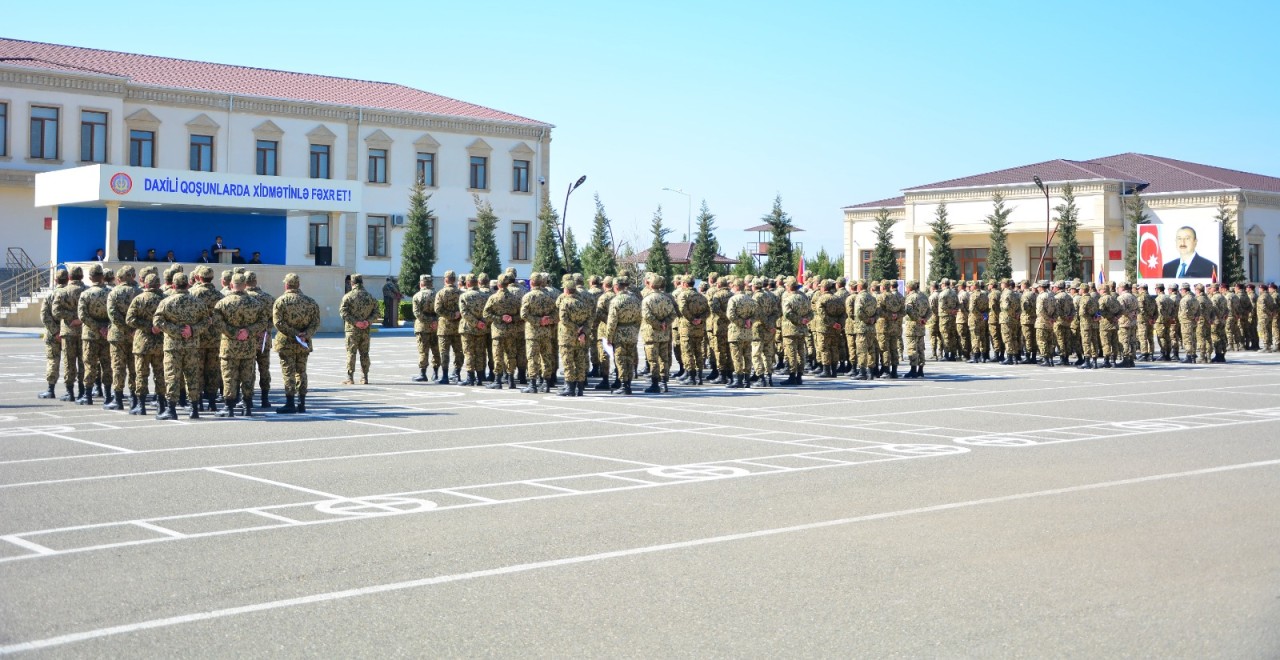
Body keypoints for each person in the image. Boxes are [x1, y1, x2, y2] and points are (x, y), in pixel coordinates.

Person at [153, 272, 209, 420]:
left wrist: (175, 331)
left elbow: (157, 321)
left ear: (173, 285)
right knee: (192, 376)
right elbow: (207, 321)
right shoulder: (198, 302)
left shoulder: (166, 302)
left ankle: (171, 409)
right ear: (188, 284)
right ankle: (194, 409)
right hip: (192, 344)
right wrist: (192, 330)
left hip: (173, 345)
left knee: (172, 376)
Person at [213, 273, 270, 417]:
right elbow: (264, 322)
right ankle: (247, 406)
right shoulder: (255, 303)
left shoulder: (223, 303)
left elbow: (217, 323)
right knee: (247, 377)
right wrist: (247, 332)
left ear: (231, 285)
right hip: (248, 347)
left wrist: (233, 333)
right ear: (245, 285)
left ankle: (229, 407)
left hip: (229, 347)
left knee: (229, 377)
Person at [273, 273, 320, 414]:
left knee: (289, 372)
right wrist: (305, 334)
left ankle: (290, 403)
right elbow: (316, 322)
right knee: (301, 372)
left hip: (286, 342)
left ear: (286, 285)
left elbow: (278, 323)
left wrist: (294, 333)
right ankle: (302, 402)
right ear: (298, 285)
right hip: (303, 343)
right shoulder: (310, 302)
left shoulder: (281, 301)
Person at [126, 270, 166, 417]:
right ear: (158, 284)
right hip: (160, 343)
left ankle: (141, 405)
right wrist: (157, 327)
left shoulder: (139, 299)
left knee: (141, 375)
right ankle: (161, 405)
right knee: (160, 375)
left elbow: (130, 319)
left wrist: (147, 327)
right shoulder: (165, 299)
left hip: (142, 343)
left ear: (145, 284)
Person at [76, 264, 112, 406]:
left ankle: (88, 395)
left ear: (90, 278)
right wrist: (105, 327)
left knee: (89, 365)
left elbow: (82, 316)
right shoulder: (110, 292)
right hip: (106, 334)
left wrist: (97, 327)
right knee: (107, 365)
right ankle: (108, 395)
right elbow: (114, 314)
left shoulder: (85, 294)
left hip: (90, 335)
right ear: (102, 277)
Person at [105, 265, 140, 411]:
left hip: (117, 335)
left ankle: (118, 399)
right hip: (135, 335)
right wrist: (132, 329)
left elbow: (112, 314)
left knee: (118, 367)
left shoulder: (114, 292)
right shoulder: (139, 292)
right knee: (134, 368)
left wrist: (125, 328)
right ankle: (134, 398)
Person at [190, 266, 224, 412]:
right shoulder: (220, 295)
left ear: (198, 277)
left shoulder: (192, 294)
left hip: (197, 338)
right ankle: (212, 401)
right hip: (215, 339)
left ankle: (197, 403)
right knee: (213, 371)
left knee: (197, 371)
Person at [520, 272, 558, 393]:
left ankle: (533, 384)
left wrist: (538, 321)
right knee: (546, 357)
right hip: (546, 332)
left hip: (533, 333)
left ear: (531, 282)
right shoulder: (549, 296)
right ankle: (546, 383)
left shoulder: (528, 296)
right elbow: (556, 314)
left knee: (532, 358)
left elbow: (524, 314)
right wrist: (547, 320)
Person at [556, 274, 593, 396]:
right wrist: (583, 332)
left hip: (567, 337)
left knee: (568, 362)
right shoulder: (583, 303)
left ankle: (570, 388)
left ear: (566, 290)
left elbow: (564, 320)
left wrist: (576, 329)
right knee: (580, 361)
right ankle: (580, 388)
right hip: (581, 338)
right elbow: (589, 320)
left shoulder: (565, 302)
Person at [483, 273, 521, 389]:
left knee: (497, 355)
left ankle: (498, 380)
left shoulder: (494, 298)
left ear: (498, 284)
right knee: (511, 355)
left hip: (498, 331)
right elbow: (521, 315)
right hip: (511, 331)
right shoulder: (514, 298)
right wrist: (511, 318)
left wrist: (499, 318)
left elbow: (486, 314)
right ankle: (511, 380)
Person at [640, 274, 677, 393]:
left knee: (653, 360)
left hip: (651, 333)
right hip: (664, 333)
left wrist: (657, 324)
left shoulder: (647, 299)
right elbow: (673, 313)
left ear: (651, 285)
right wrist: (664, 323)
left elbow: (647, 316)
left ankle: (655, 383)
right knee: (664, 359)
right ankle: (664, 382)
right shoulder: (666, 298)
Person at [339, 273, 379, 384]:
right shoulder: (370, 297)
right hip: (365, 330)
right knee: (364, 353)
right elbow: (376, 312)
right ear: (362, 282)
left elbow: (343, 312)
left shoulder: (348, 296)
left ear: (351, 283)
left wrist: (355, 322)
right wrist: (367, 321)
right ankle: (364, 377)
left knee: (351, 353)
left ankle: (350, 378)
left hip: (352, 330)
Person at [605, 275, 641, 395]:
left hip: (619, 334)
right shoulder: (635, 299)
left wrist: (609, 337)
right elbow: (639, 318)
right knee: (630, 359)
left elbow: (612, 322)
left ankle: (624, 385)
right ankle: (628, 384)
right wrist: (635, 330)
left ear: (616, 287)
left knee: (620, 360)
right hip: (632, 333)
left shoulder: (615, 301)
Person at [37, 269, 68, 399]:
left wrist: (55, 331)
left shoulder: (51, 295)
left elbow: (44, 315)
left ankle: (51, 389)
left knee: (52, 360)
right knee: (71, 361)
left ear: (56, 280)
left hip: (52, 334)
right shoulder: (71, 293)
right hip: (69, 332)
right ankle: (73, 390)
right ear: (67, 280)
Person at [245, 271, 275, 408]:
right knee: (264, 369)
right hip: (264, 339)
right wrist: (265, 330)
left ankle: (248, 398)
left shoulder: (244, 298)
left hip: (247, 340)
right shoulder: (268, 298)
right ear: (255, 281)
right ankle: (264, 398)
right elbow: (274, 319)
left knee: (248, 370)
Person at [457, 273, 489, 386]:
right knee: (480, 353)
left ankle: (470, 378)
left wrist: (475, 323)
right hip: (481, 329)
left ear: (468, 283)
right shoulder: (485, 296)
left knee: (469, 353)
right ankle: (480, 378)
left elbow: (464, 313)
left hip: (468, 329)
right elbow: (487, 312)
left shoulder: (464, 296)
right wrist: (481, 323)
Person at [433, 270, 463, 384]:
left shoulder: (441, 293)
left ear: (445, 280)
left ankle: (445, 376)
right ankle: (457, 373)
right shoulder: (460, 293)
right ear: (454, 280)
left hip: (444, 328)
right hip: (457, 327)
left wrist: (449, 315)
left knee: (444, 352)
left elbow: (438, 309)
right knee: (458, 351)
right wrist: (456, 315)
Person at [411, 274, 440, 382]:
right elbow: (440, 311)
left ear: (421, 283)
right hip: (435, 327)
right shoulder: (437, 295)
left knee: (423, 351)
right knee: (436, 350)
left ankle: (423, 374)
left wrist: (428, 321)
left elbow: (417, 313)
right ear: (431, 283)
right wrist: (434, 321)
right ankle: (436, 373)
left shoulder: (417, 296)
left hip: (422, 327)